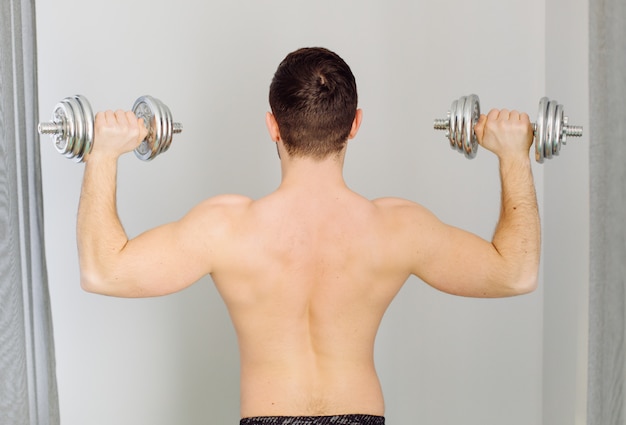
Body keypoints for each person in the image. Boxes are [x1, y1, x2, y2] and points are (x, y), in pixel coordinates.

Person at [77, 47, 540, 425]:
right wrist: (514, 157)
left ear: (272, 125)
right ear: (355, 124)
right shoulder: (398, 227)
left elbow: (104, 272)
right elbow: (515, 274)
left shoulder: (224, 227)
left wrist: (102, 155)